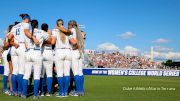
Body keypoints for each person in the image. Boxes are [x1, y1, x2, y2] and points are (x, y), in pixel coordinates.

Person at [7, 14, 39, 96]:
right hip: (21, 46)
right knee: (21, 70)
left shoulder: (15, 26)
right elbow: (26, 32)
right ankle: (20, 91)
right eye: (29, 19)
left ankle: (14, 91)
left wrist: (14, 43)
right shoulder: (26, 24)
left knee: (15, 71)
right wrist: (33, 38)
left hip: (14, 48)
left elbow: (9, 37)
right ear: (26, 19)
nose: (29, 21)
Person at [22, 19, 50, 99]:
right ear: (37, 25)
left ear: (31, 25)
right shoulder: (42, 32)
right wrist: (41, 42)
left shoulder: (28, 32)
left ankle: (24, 94)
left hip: (28, 52)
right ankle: (35, 95)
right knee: (37, 76)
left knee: (26, 75)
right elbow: (49, 40)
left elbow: (24, 42)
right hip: (37, 52)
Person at [52, 19, 72, 97]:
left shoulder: (54, 30)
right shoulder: (67, 30)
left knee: (60, 73)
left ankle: (61, 92)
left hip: (59, 51)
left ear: (57, 24)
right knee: (67, 73)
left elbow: (53, 42)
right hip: (68, 51)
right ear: (63, 23)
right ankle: (65, 92)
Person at [68, 20, 85, 96]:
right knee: (80, 72)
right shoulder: (78, 31)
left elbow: (73, 42)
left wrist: (75, 47)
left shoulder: (71, 30)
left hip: (75, 52)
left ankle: (78, 91)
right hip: (80, 53)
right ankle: (81, 91)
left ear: (70, 25)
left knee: (76, 73)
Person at [40, 23, 55, 96]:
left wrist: (43, 42)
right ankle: (49, 92)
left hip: (42, 52)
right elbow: (52, 42)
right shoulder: (50, 34)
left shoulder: (40, 33)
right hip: (49, 52)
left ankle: (42, 92)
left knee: (42, 74)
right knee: (49, 74)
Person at [2, 24, 14, 95]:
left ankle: (8, 88)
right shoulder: (10, 34)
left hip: (7, 52)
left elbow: (4, 44)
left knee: (9, 71)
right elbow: (5, 45)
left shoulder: (7, 34)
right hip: (7, 52)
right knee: (7, 71)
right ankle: (5, 88)